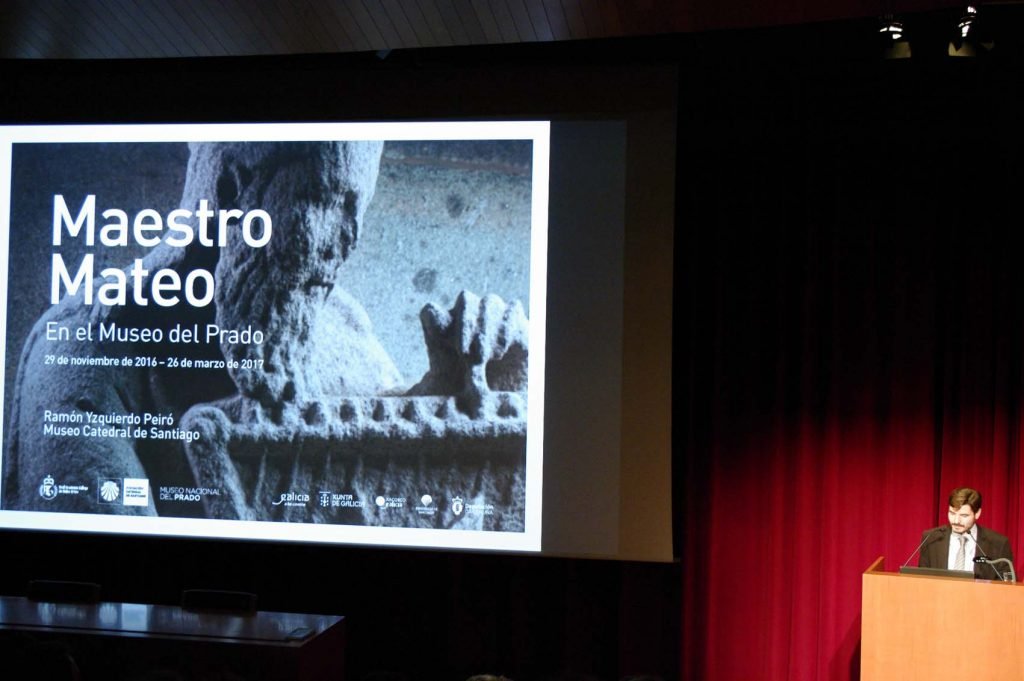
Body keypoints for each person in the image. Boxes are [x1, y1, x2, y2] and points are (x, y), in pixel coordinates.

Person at [918, 486, 1015, 580]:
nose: (956, 521)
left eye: (964, 515)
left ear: (977, 513)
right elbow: (922, 579)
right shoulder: (931, 538)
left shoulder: (998, 543)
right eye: (952, 513)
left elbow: (1006, 583)